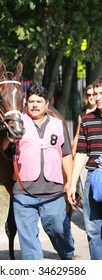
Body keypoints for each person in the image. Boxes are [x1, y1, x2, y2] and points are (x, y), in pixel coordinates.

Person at [12, 84, 75, 260]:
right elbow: (3, 149)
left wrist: (69, 181)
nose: (34, 105)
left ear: (47, 104)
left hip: (53, 191)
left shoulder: (58, 124)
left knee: (58, 229)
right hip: (24, 192)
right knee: (29, 242)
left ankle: (67, 253)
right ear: (26, 103)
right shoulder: (17, 124)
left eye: (39, 101)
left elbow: (66, 154)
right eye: (31, 101)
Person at [68, 76, 102, 260]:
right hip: (93, 179)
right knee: (94, 230)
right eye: (95, 94)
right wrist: (73, 183)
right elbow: (81, 152)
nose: (97, 97)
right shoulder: (87, 120)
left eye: (101, 93)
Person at [72, 84, 96, 157]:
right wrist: (73, 154)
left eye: (93, 94)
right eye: (89, 95)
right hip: (87, 155)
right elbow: (77, 136)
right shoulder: (82, 116)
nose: (91, 97)